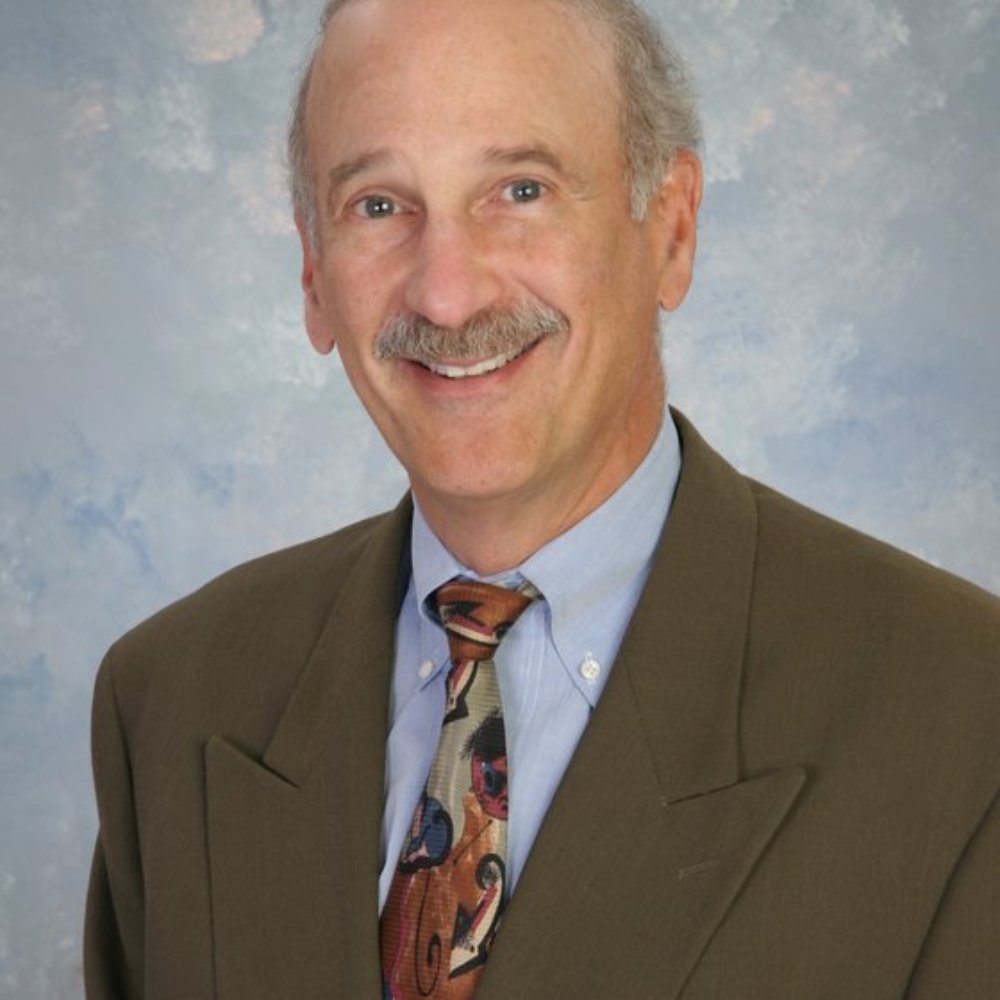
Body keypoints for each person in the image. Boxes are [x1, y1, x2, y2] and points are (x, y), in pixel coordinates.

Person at [84, 0, 1000, 996]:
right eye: (379, 206)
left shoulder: (961, 715)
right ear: (313, 271)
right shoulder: (172, 701)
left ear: (672, 228)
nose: (447, 294)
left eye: (520, 190)